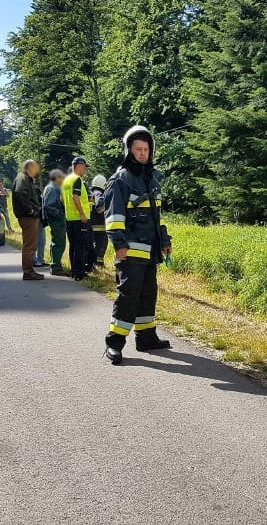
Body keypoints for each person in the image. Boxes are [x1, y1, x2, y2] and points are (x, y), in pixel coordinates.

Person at [104, 126, 172, 365]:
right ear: (129, 151)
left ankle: (146, 337)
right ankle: (114, 343)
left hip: (150, 251)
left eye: (146, 149)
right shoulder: (120, 180)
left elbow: (157, 217)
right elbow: (113, 218)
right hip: (130, 251)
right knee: (128, 297)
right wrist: (119, 246)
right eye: (138, 149)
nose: (143, 153)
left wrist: (164, 241)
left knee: (147, 295)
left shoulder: (151, 179)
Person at [13, 160, 44, 281]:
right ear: (30, 167)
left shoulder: (25, 178)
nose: (37, 170)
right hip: (28, 217)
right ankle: (28, 272)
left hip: (29, 216)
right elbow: (19, 193)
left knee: (31, 245)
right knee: (29, 246)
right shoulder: (22, 178)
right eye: (35, 168)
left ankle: (29, 270)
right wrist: (31, 210)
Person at [61, 157, 91, 281]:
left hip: (69, 219)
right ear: (79, 166)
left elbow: (61, 199)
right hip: (79, 219)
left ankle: (74, 271)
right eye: (85, 167)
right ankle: (79, 273)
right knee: (80, 246)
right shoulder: (77, 179)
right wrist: (82, 214)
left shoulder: (66, 181)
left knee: (73, 246)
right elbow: (75, 197)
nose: (85, 170)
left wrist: (69, 210)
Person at [43, 169, 70, 276]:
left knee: (56, 242)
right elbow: (48, 206)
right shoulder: (52, 188)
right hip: (56, 220)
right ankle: (56, 267)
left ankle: (55, 265)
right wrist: (61, 214)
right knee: (59, 243)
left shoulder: (52, 187)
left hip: (56, 219)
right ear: (57, 178)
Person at [88, 174, 108, 269]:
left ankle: (92, 263)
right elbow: (100, 208)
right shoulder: (99, 193)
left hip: (90, 224)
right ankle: (98, 263)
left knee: (93, 244)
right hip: (99, 225)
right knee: (102, 243)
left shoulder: (90, 193)